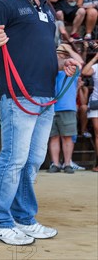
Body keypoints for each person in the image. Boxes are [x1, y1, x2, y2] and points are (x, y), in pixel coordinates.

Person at [0, 0, 81, 245]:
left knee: (33, 161)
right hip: (16, 97)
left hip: (44, 97)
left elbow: (44, 53)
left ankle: (23, 218)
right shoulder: (3, 6)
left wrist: (63, 65)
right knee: (13, 160)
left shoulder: (48, 11)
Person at [48, 44, 84, 173]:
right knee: (54, 137)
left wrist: (68, 48)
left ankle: (67, 163)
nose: (58, 53)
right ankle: (55, 164)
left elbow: (80, 62)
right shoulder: (52, 68)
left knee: (67, 137)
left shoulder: (72, 69)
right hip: (50, 107)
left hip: (67, 107)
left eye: (60, 51)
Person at [81, 48, 98, 172]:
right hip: (96, 103)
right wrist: (95, 57)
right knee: (97, 133)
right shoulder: (96, 67)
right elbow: (85, 72)